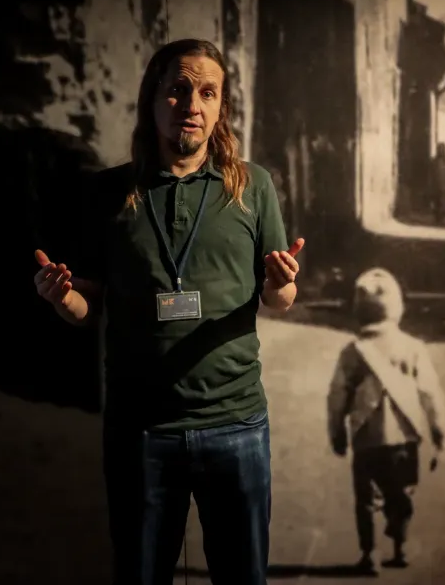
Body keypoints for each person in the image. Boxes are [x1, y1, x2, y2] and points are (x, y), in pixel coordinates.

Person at [32, 39, 302, 585]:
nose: (192, 105)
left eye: (208, 92)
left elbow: (278, 299)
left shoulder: (253, 186)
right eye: (178, 90)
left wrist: (280, 285)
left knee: (242, 576)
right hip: (141, 431)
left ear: (222, 105)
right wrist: (63, 297)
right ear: (153, 98)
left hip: (236, 425)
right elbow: (89, 307)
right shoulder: (108, 193)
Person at [327, 268, 445, 574]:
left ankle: (370, 554)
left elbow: (337, 398)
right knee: (402, 493)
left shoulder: (352, 352)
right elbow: (431, 393)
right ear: (398, 307)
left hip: (366, 438)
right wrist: (439, 433)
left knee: (367, 499)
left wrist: (337, 433)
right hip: (405, 437)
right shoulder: (412, 348)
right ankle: (400, 547)